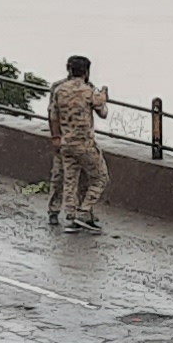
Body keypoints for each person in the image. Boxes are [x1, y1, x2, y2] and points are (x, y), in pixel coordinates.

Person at [43, 52, 110, 234]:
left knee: (69, 180)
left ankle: (70, 218)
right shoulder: (89, 90)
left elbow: (53, 115)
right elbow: (103, 112)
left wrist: (56, 137)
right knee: (100, 178)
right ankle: (83, 212)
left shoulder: (58, 89)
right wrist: (103, 93)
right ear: (86, 72)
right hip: (85, 144)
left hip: (65, 143)